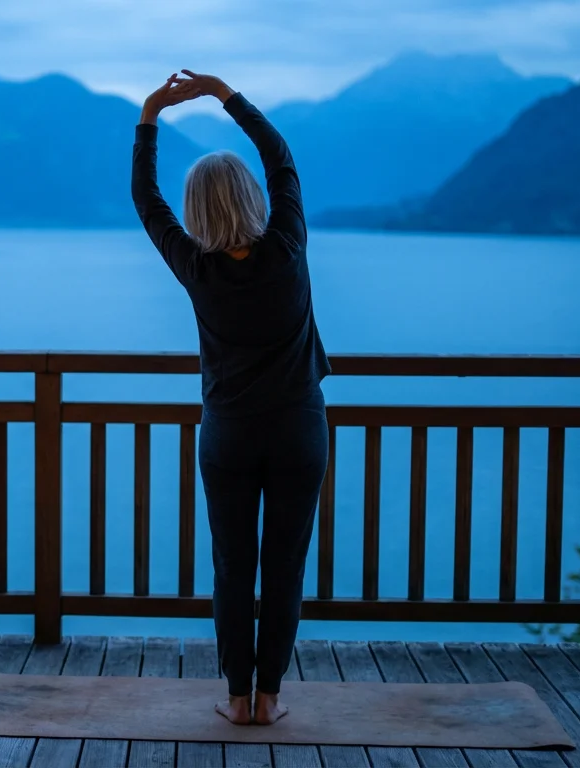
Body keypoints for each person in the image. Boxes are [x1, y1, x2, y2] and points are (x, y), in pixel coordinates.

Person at [131, 71, 331, 726]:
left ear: (196, 210)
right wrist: (227, 96)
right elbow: (283, 162)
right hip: (299, 430)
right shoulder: (288, 245)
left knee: (232, 566)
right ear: (253, 197)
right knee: (284, 565)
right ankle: (271, 697)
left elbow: (145, 198)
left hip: (228, 436)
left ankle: (237, 697)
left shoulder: (196, 267)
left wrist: (150, 115)